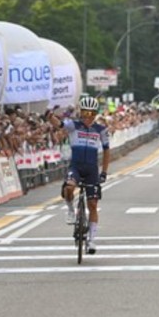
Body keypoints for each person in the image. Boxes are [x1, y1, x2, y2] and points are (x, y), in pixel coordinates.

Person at [48, 96, 110, 254]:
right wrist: (50, 116)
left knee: (93, 205)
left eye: (91, 113)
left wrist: (104, 172)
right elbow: (59, 124)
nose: (88, 116)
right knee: (69, 188)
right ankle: (70, 209)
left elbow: (107, 151)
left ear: (95, 114)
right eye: (85, 112)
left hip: (91, 170)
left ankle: (92, 240)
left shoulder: (101, 130)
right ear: (81, 112)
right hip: (75, 166)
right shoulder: (73, 126)